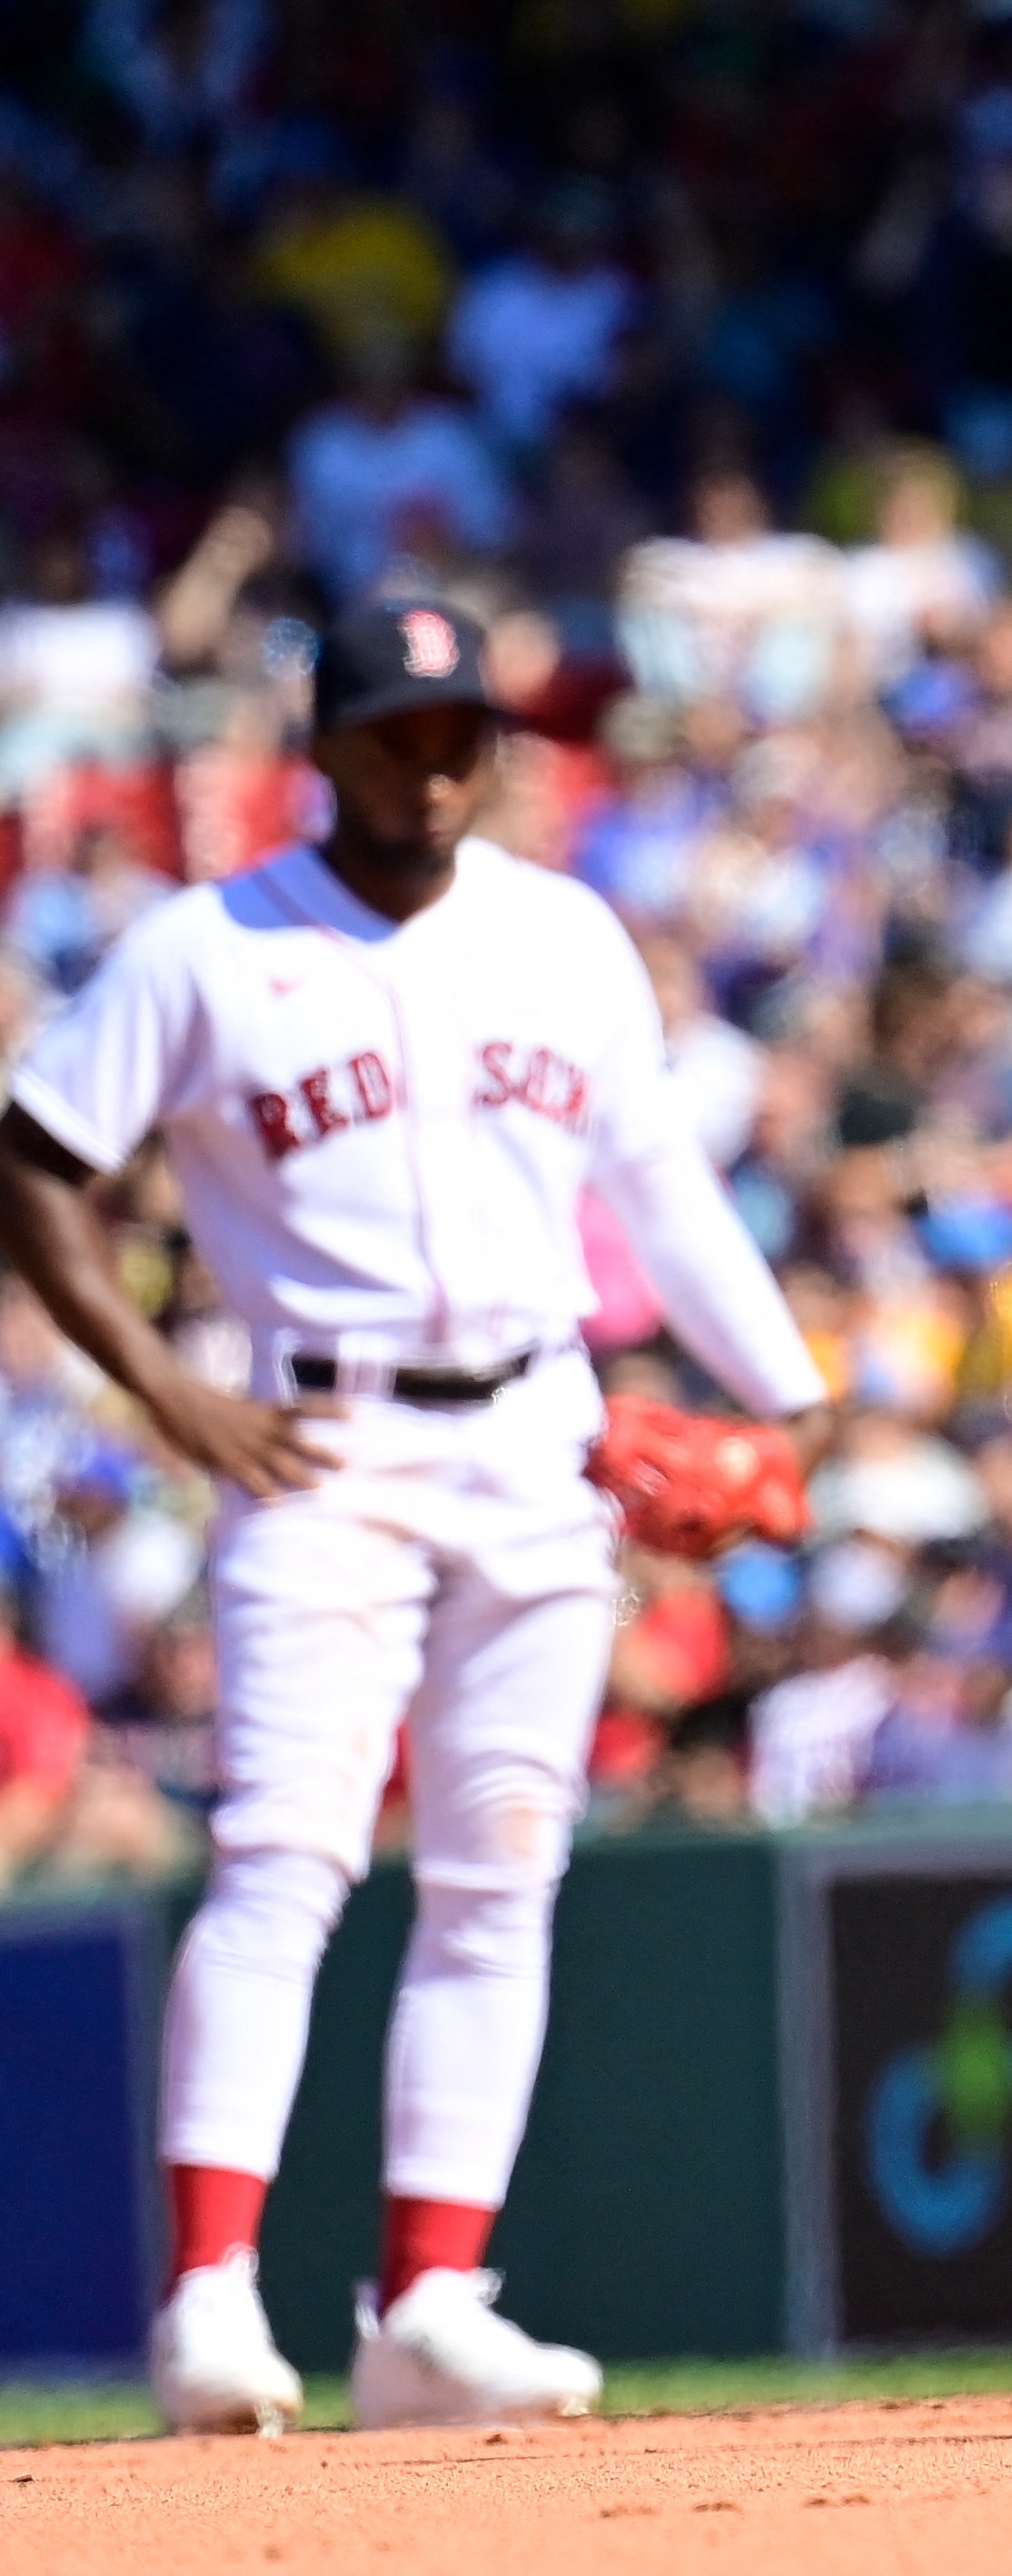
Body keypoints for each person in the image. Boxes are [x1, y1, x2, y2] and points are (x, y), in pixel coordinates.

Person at [0, 598, 835, 2434]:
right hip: (318, 1441)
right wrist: (165, 1387)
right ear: (329, 743)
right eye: (400, 732)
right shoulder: (209, 947)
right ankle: (211, 2292)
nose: (439, 764)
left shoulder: (565, 933)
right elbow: (35, 1158)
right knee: (285, 1859)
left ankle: (431, 2300)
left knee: (498, 1875)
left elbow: (661, 1181)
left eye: (465, 731)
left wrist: (790, 1398)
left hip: (543, 1431)